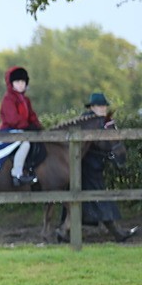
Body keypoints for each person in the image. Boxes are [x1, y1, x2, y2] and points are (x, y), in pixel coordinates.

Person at [59, 92, 138, 242]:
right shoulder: (86, 120)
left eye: (104, 106)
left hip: (92, 165)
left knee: (90, 200)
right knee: (100, 199)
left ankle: (64, 230)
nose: (103, 108)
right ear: (93, 107)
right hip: (86, 166)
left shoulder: (103, 121)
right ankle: (118, 233)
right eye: (100, 106)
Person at [0, 65, 42, 186]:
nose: (21, 84)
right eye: (17, 81)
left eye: (23, 81)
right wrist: (27, 126)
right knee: (25, 142)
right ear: (11, 83)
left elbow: (31, 115)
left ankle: (31, 169)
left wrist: (37, 126)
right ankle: (16, 174)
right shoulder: (8, 99)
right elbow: (13, 119)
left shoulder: (25, 99)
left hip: (21, 130)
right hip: (8, 130)